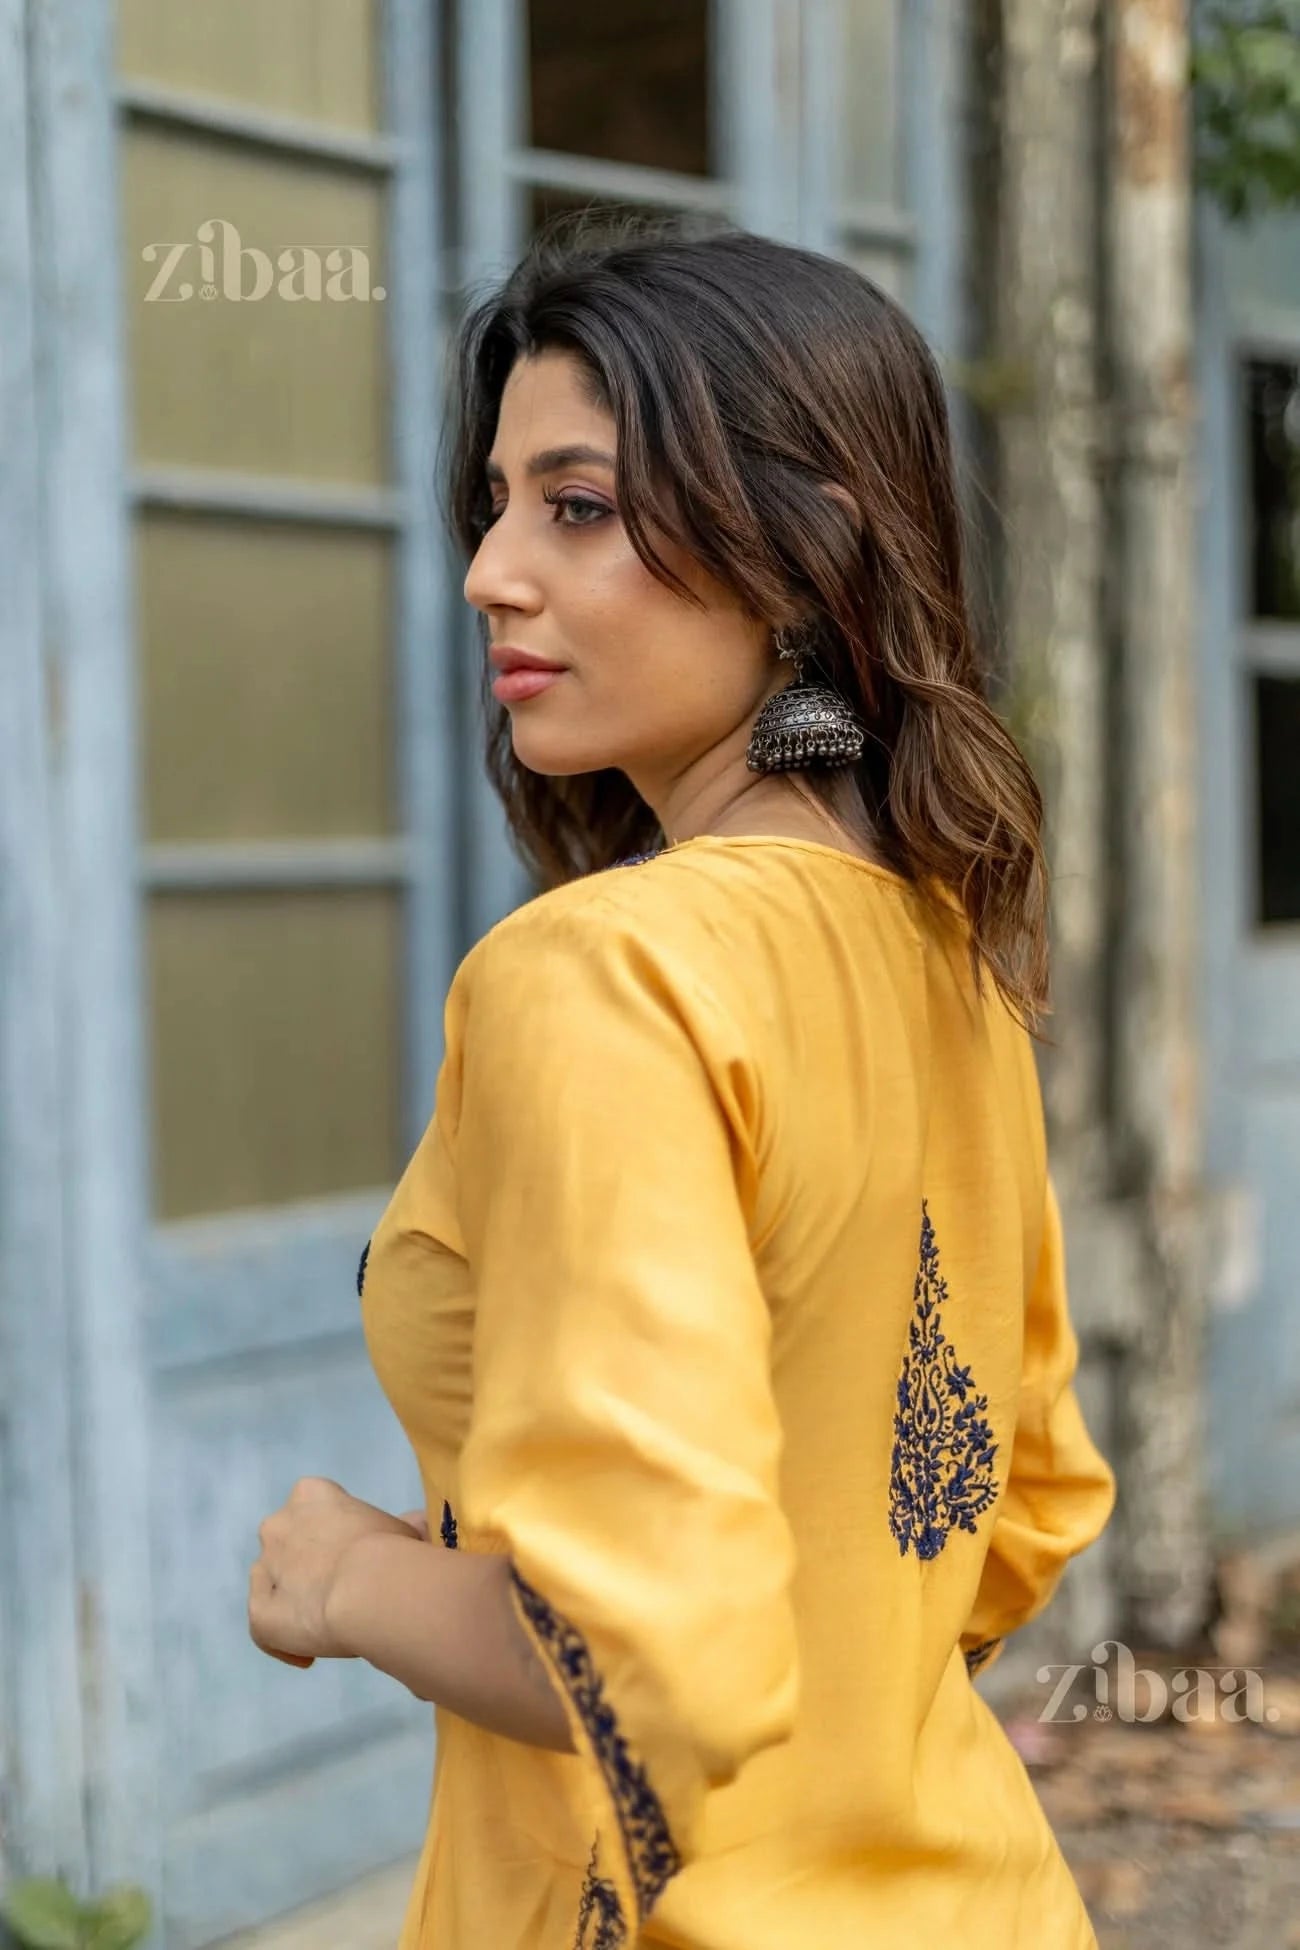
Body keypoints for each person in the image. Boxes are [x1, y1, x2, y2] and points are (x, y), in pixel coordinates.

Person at [248, 215, 1117, 1949]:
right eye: (496, 504)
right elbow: (1016, 1516)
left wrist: (352, 1579)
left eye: (575, 506)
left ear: (803, 554)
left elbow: (645, 1664)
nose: (494, 568)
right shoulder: (948, 956)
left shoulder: (606, 973)